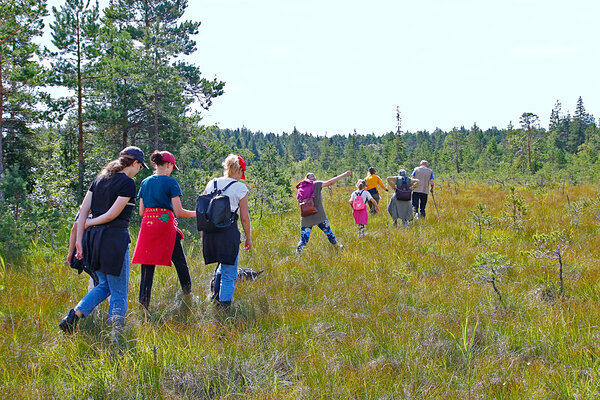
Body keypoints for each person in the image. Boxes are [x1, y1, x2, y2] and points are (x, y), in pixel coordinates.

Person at [59, 146, 147, 337]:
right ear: (134, 163)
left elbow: (82, 212)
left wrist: (80, 240)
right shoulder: (127, 183)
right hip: (113, 241)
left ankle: (73, 316)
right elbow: (111, 215)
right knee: (119, 291)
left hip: (93, 240)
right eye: (140, 167)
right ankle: (116, 335)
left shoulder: (99, 180)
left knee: (105, 285)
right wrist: (90, 223)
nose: (139, 171)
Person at [131, 151, 196, 310]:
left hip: (148, 226)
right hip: (165, 227)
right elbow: (179, 212)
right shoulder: (171, 183)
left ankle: (143, 307)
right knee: (180, 263)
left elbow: (141, 212)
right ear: (168, 165)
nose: (172, 170)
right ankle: (188, 297)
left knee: (147, 268)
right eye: (172, 167)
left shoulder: (145, 183)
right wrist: (198, 214)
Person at [201, 154, 251, 308]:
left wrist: (203, 234)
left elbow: (202, 209)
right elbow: (244, 218)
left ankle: (214, 298)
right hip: (228, 232)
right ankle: (224, 309)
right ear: (240, 170)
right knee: (229, 273)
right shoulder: (240, 187)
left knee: (221, 267)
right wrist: (248, 237)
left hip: (210, 232)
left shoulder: (212, 183)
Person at [296, 170, 351, 255]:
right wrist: (344, 174)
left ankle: (298, 256)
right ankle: (337, 247)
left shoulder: (301, 187)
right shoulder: (316, 184)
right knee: (329, 233)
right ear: (314, 179)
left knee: (303, 240)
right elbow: (330, 182)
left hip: (306, 217)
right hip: (319, 216)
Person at [67, 213, 98, 292]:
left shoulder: (86, 207)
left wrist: (70, 252)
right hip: (106, 244)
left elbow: (75, 228)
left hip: (89, 248)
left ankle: (92, 303)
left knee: (94, 279)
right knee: (110, 282)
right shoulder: (110, 203)